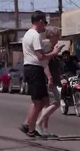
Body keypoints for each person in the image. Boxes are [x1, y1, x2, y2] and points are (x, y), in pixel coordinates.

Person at [19, 10, 61, 138]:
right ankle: (31, 129)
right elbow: (40, 56)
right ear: (41, 21)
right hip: (34, 69)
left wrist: (48, 76)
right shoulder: (35, 35)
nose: (45, 27)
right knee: (38, 102)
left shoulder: (27, 34)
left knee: (43, 101)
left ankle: (29, 125)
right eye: (45, 23)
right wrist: (54, 53)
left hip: (32, 68)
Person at [35, 26, 62, 137]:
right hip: (48, 80)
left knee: (48, 105)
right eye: (57, 36)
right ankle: (38, 124)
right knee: (56, 103)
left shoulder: (52, 46)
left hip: (53, 79)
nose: (58, 38)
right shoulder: (47, 45)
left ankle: (44, 129)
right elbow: (44, 62)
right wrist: (50, 77)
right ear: (51, 35)